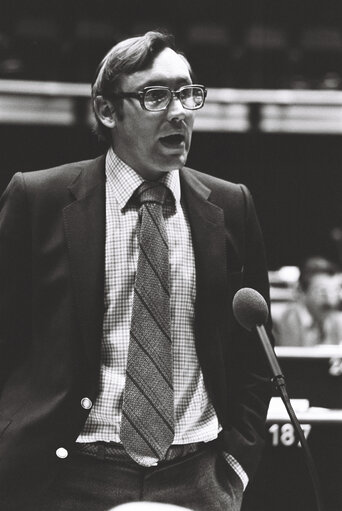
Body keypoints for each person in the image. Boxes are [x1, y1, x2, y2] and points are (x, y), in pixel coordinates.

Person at [0, 31, 272, 511]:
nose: (180, 111)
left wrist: (236, 466)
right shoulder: (36, 199)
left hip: (199, 477)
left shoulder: (231, 204)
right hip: (66, 477)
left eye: (188, 93)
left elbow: (254, 354)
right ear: (107, 111)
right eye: (155, 95)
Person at [275, 256, 342, 346]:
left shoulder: (337, 321)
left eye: (336, 291)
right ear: (301, 291)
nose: (330, 300)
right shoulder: (279, 323)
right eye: (322, 292)